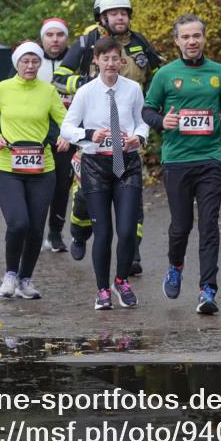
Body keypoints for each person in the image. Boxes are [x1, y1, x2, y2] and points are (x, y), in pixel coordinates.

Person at [54, 0, 164, 275]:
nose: (120, 17)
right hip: (94, 135)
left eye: (124, 13)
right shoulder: (88, 41)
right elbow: (59, 77)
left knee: (133, 201)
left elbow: (158, 74)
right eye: (114, 13)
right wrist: (86, 82)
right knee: (84, 198)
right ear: (102, 17)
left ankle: (132, 253)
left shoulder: (139, 43)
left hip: (128, 136)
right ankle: (79, 232)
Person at [142, 14, 221, 315]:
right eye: (186, 37)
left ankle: (207, 290)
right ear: (177, 41)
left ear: (204, 38)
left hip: (209, 159)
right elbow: (147, 110)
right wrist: (162, 121)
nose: (192, 41)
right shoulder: (166, 74)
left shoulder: (217, 72)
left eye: (196, 36)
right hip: (177, 161)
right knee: (181, 226)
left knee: (209, 225)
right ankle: (175, 266)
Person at [60, 36, 148, 310]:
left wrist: (138, 138)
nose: (111, 64)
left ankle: (121, 281)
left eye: (115, 58)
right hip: (96, 166)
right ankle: (102, 290)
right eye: (105, 58)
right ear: (96, 61)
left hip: (127, 165)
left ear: (122, 61)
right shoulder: (86, 92)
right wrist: (88, 134)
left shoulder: (133, 89)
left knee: (127, 230)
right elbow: (67, 128)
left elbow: (142, 122)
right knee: (104, 233)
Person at [0, 41, 69, 300]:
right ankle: (9, 275)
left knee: (37, 228)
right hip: (7, 166)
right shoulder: (2, 89)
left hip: (42, 168)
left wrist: (66, 136)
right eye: (25, 61)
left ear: (40, 64)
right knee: (19, 223)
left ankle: (25, 280)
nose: (30, 66)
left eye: (35, 61)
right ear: (17, 63)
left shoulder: (48, 91)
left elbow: (66, 121)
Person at [37, 17, 74, 253]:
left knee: (62, 185)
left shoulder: (77, 59)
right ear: (42, 39)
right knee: (39, 185)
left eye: (59, 35)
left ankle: (55, 233)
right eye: (49, 35)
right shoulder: (30, 60)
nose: (55, 39)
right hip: (36, 133)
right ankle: (34, 232)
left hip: (67, 133)